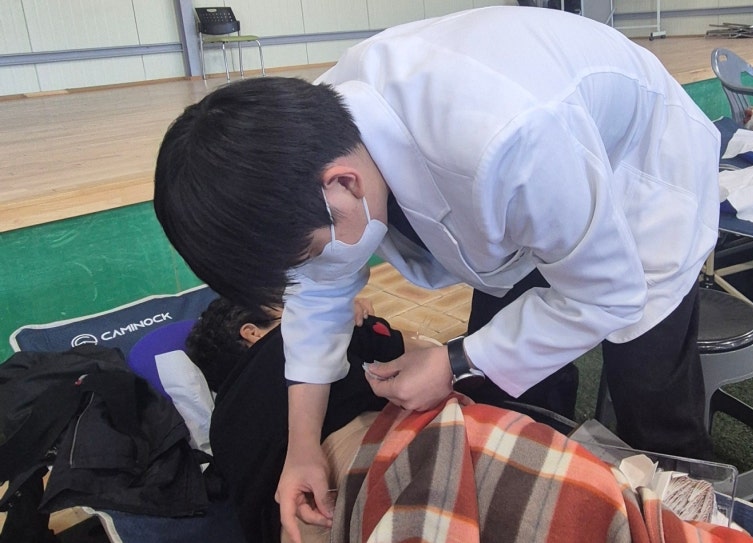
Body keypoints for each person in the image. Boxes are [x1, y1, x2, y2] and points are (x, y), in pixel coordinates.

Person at [154, 6, 720, 542]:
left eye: (307, 257)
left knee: (649, 389)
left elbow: (608, 293)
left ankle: (703, 520)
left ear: (344, 184)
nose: (313, 278)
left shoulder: (507, 139)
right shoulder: (303, 150)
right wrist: (301, 449)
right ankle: (558, 459)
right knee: (508, 391)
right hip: (530, 178)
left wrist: (455, 361)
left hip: (638, 169)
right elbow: (317, 299)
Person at [184, 296, 407, 543]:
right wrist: (346, 315)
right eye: (290, 311)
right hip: (375, 475)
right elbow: (392, 343)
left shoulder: (219, 429)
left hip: (292, 530)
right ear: (252, 332)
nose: (302, 314)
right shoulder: (297, 338)